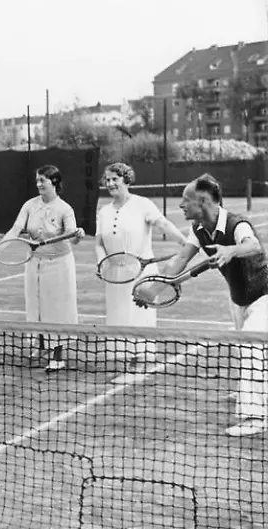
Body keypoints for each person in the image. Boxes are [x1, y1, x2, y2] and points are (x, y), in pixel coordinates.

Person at [134, 174, 268, 437]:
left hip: (264, 295)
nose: (181, 206)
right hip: (238, 299)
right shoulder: (197, 229)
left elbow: (252, 245)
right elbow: (180, 260)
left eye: (186, 201)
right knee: (249, 349)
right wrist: (151, 292)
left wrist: (230, 251)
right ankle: (249, 392)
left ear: (203, 201)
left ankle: (255, 416)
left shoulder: (235, 223)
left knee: (251, 346)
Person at [95, 163, 186, 374]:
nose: (110, 184)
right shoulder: (104, 211)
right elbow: (99, 243)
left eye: (115, 179)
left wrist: (184, 243)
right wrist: (101, 262)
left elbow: (163, 225)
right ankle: (125, 360)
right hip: (115, 275)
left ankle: (140, 359)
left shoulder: (143, 204)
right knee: (118, 315)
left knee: (139, 315)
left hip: (142, 274)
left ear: (126, 179)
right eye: (107, 180)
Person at [0, 165, 85, 372]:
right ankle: (42, 346)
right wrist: (1, 246)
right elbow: (16, 229)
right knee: (36, 306)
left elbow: (72, 234)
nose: (38, 184)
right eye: (37, 180)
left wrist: (77, 235)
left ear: (54, 182)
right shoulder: (29, 205)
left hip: (60, 264)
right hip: (34, 263)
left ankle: (58, 356)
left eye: (42, 180)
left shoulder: (65, 209)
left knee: (57, 309)